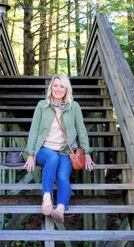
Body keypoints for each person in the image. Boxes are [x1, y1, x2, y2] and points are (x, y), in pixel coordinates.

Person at [24, 73, 95, 223]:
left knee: (63, 176)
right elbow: (34, 131)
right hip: (44, 149)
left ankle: (60, 209)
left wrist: (87, 153)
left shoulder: (73, 107)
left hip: (65, 150)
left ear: (66, 89)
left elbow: (81, 130)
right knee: (52, 157)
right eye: (55, 85)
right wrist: (30, 154)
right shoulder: (42, 106)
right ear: (51, 88)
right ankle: (47, 198)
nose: (58, 89)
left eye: (61, 86)